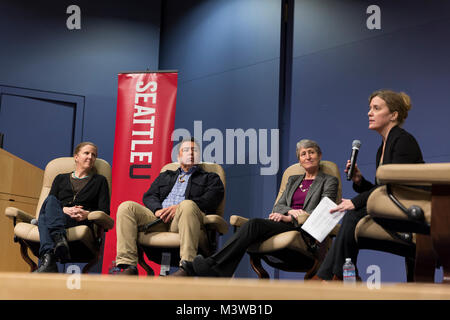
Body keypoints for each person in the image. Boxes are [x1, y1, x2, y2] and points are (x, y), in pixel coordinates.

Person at [177, 139, 339, 277]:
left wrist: (292, 217)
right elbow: (278, 206)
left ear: (319, 156)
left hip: (306, 229)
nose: (308, 157)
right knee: (252, 226)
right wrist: (288, 211)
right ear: (299, 160)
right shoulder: (293, 180)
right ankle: (215, 269)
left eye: (311, 152)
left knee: (254, 225)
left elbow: (323, 211)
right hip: (284, 222)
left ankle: (213, 266)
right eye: (303, 154)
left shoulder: (329, 180)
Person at [315, 89, 424, 281]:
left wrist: (356, 202)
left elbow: (393, 189)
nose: (369, 113)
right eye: (369, 108)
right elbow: (382, 192)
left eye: (376, 108)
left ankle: (335, 278)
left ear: (393, 115)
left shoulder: (403, 141)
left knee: (354, 214)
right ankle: (341, 276)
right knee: (353, 215)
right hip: (393, 208)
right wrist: (360, 181)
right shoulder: (383, 146)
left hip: (410, 213)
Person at [114, 138, 225, 275]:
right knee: (126, 207)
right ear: (179, 156)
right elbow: (149, 196)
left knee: (187, 205)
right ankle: (128, 266)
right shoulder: (166, 175)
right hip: (159, 220)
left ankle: (187, 266)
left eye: (194, 150)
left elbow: (210, 200)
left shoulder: (210, 178)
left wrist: (178, 207)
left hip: (184, 219)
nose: (190, 153)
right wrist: (157, 210)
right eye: (186, 150)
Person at [36, 142, 110, 273]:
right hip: (59, 217)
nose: (90, 157)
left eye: (94, 155)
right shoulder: (60, 178)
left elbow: (104, 211)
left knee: (43, 218)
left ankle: (49, 259)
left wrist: (87, 214)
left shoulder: (100, 181)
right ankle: (59, 239)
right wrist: (63, 209)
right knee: (51, 200)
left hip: (79, 220)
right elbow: (49, 203)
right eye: (86, 153)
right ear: (76, 157)